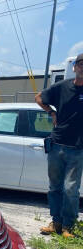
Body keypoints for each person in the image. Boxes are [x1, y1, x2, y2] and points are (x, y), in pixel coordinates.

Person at [35, 53, 83, 238]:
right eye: (80, 64)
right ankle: (56, 222)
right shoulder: (62, 87)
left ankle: (68, 226)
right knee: (54, 187)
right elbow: (39, 97)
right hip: (56, 145)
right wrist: (51, 112)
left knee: (71, 189)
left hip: (77, 149)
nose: (82, 67)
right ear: (75, 67)